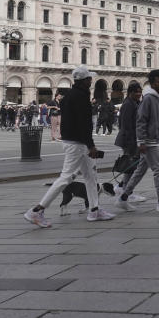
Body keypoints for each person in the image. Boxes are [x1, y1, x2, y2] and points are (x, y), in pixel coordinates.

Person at [24, 66, 115, 226]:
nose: (91, 81)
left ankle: (94, 210)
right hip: (77, 144)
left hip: (75, 142)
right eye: (89, 79)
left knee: (91, 176)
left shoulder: (69, 96)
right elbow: (83, 124)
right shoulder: (80, 97)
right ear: (84, 81)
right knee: (66, 178)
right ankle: (36, 211)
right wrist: (91, 145)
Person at [118, 70, 159, 212]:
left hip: (151, 140)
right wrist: (141, 141)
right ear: (152, 83)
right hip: (149, 141)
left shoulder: (155, 97)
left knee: (140, 171)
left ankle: (123, 197)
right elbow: (141, 120)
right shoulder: (149, 98)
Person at [112, 83, 148, 206]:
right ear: (130, 92)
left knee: (131, 166)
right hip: (129, 139)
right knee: (131, 166)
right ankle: (127, 191)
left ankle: (122, 187)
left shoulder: (134, 103)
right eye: (136, 92)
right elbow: (125, 124)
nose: (139, 94)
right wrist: (132, 142)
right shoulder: (128, 104)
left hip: (132, 139)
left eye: (140, 91)